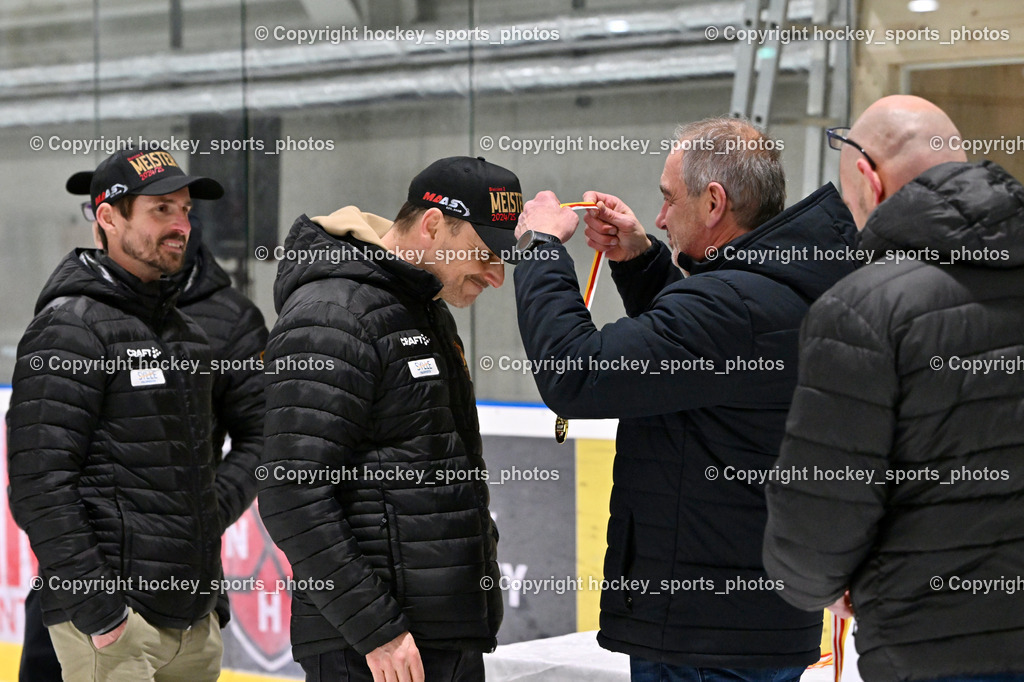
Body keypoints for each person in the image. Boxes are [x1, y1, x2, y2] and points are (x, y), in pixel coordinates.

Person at [512, 117, 860, 682]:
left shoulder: (733, 306)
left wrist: (540, 247)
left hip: (706, 638)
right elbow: (694, 359)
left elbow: (577, 373)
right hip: (745, 624)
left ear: (715, 202)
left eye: (669, 200)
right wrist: (641, 259)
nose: (660, 217)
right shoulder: (774, 289)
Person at [763, 95, 1024, 681]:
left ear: (868, 178)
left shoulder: (863, 309)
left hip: (932, 647)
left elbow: (825, 500)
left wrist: (819, 584)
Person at [259, 156, 519, 682]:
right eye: (487, 253)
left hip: (438, 637)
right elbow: (291, 493)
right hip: (374, 651)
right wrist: (377, 628)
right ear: (432, 224)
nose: (496, 277)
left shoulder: (421, 307)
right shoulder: (333, 312)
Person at [16, 194, 268, 680]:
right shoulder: (71, 323)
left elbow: (261, 437)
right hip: (101, 595)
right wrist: (100, 611)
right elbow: (38, 482)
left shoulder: (205, 326)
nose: (179, 224)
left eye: (184, 210)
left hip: (189, 606)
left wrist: (200, 516)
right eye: (161, 210)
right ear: (107, 222)